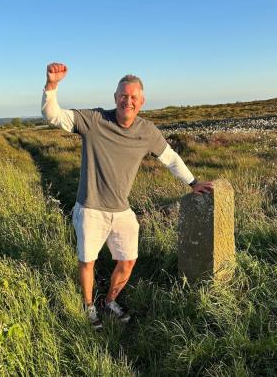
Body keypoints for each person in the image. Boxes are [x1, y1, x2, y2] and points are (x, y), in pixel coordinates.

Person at [41, 62, 213, 330]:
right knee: (88, 261)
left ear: (141, 101)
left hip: (121, 210)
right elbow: (54, 116)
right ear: (115, 98)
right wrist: (52, 85)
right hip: (91, 208)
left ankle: (109, 301)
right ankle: (89, 307)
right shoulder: (94, 120)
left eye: (133, 97)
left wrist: (193, 182)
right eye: (123, 95)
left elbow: (171, 159)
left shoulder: (147, 131)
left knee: (129, 260)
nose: (128, 101)